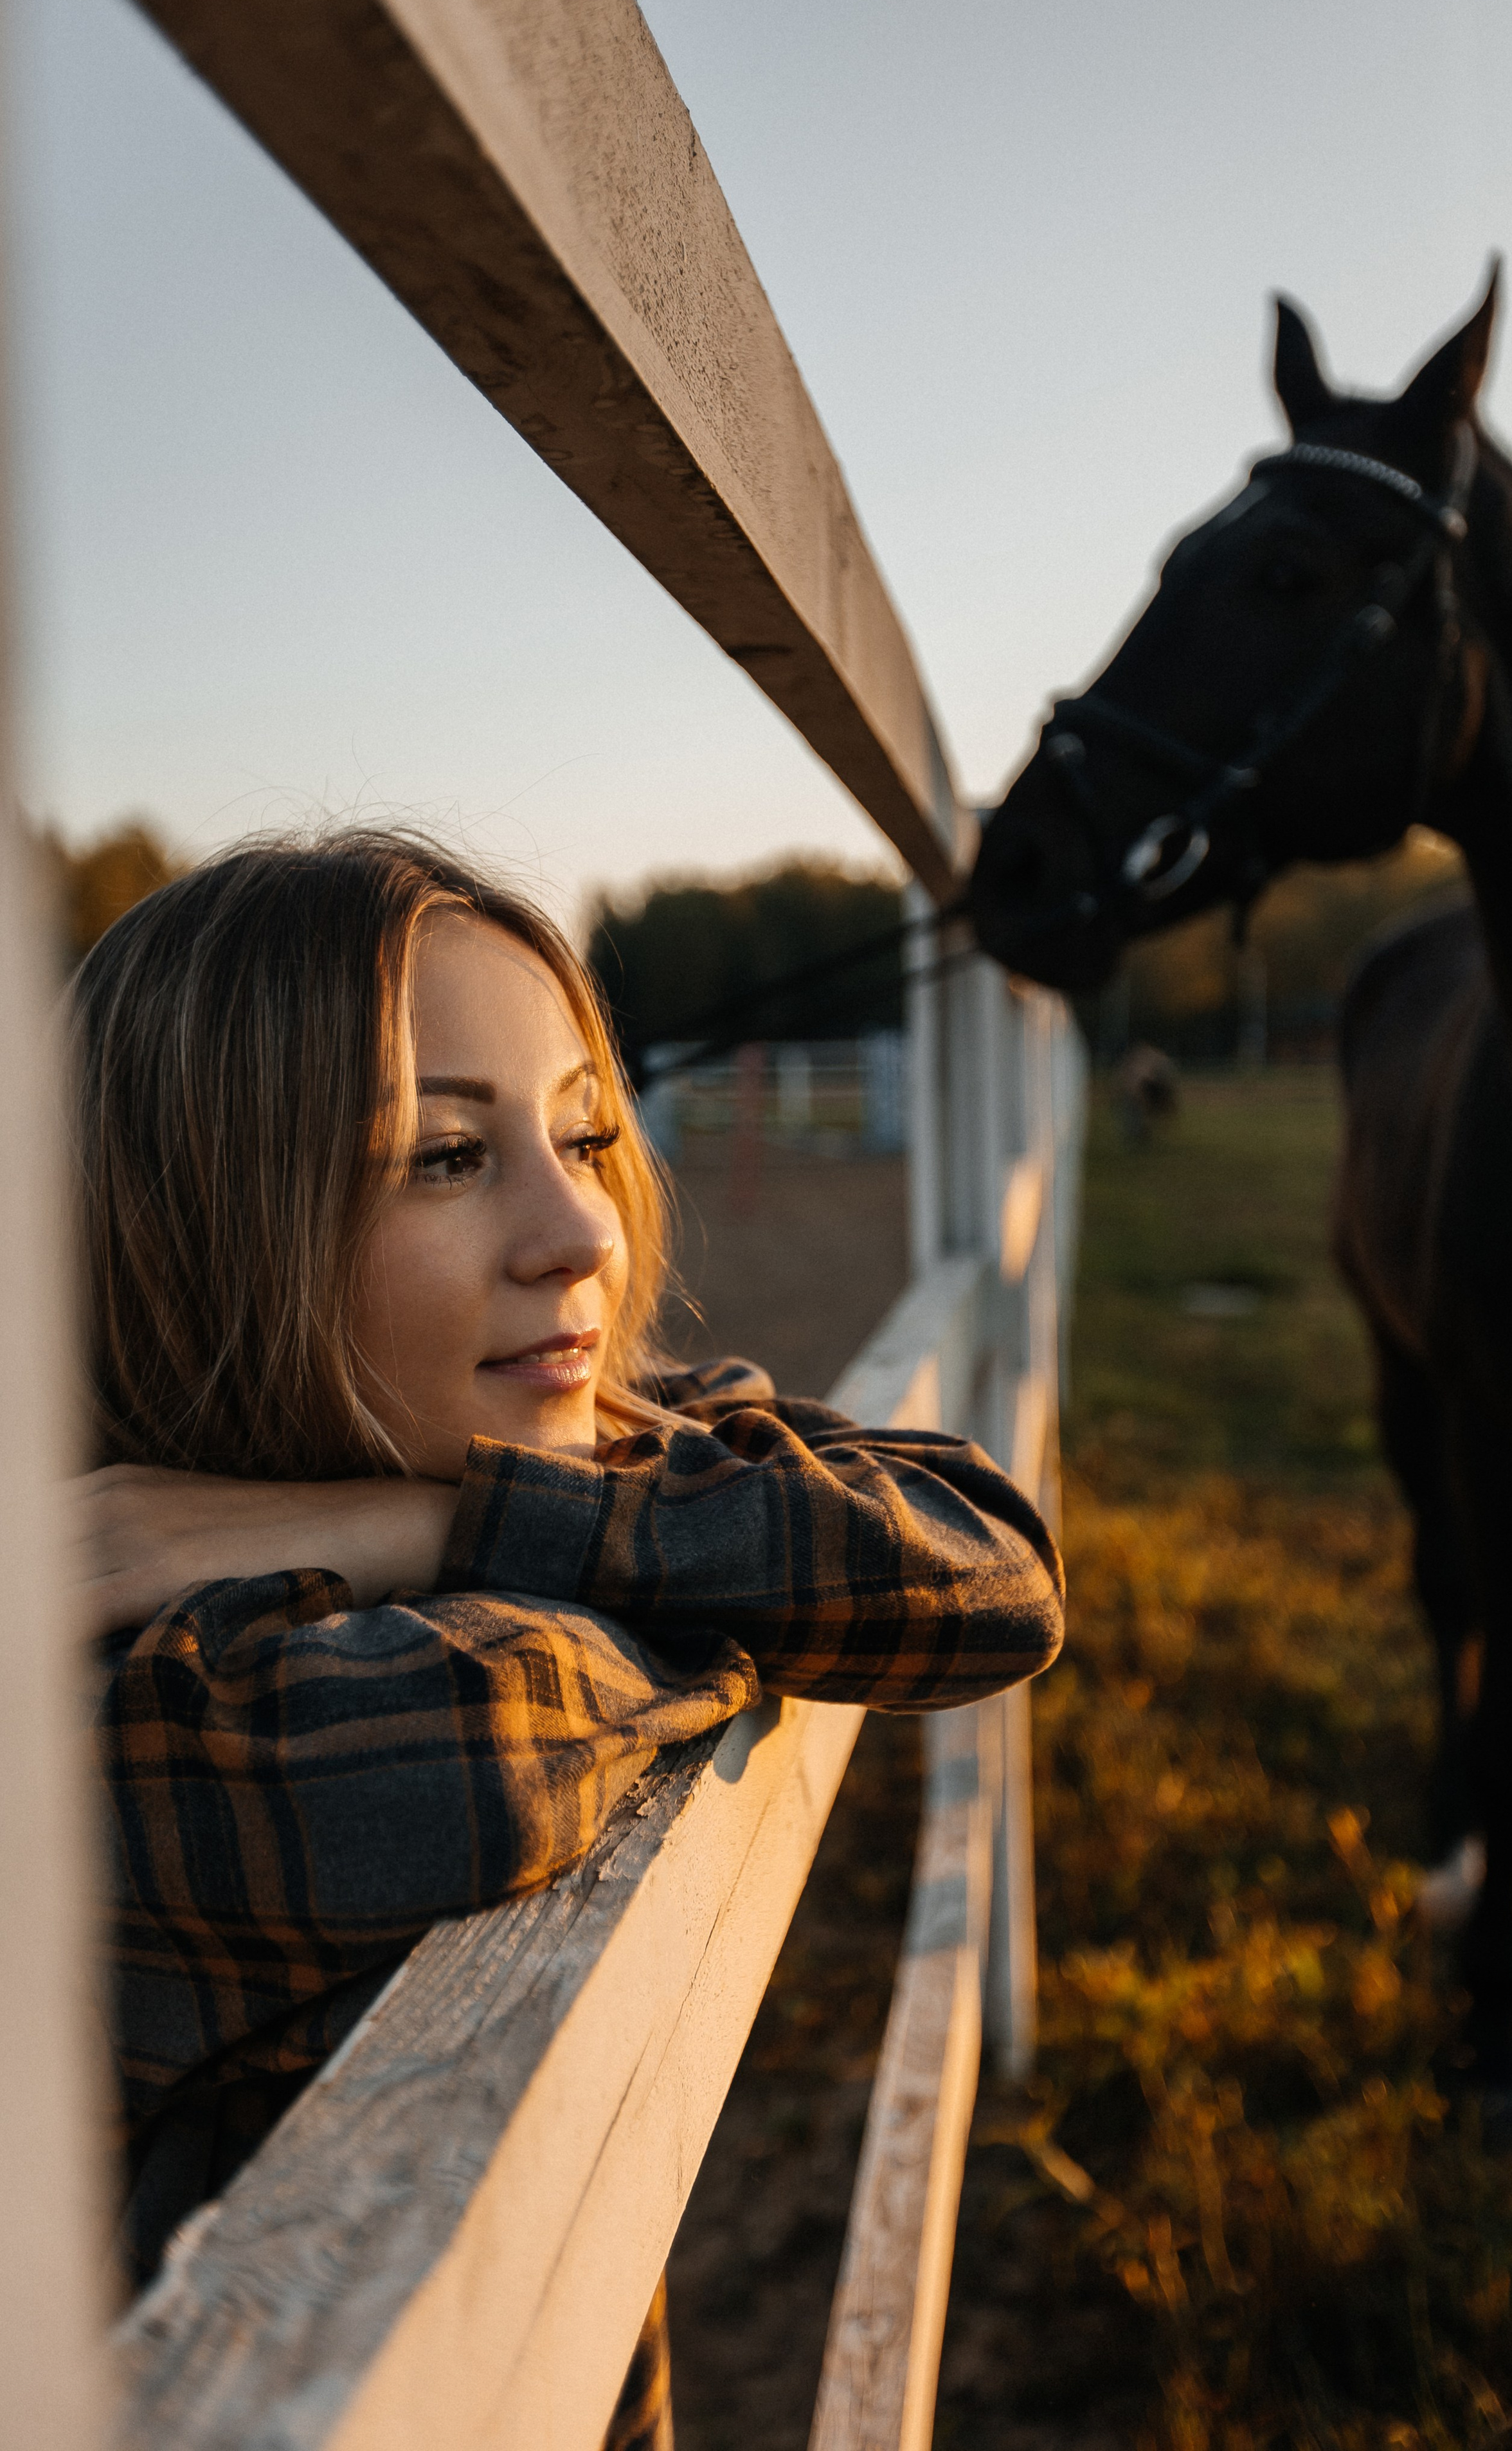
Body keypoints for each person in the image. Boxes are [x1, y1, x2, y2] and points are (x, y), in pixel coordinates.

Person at [75, 832, 1063, 2441]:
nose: (582, 1235)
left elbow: (994, 1561)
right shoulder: (108, 1669)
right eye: (446, 1158)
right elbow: (487, 1741)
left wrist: (431, 1523)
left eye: (585, 1137)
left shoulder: (541, 1450)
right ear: (200, 1224)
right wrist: (722, 1581)